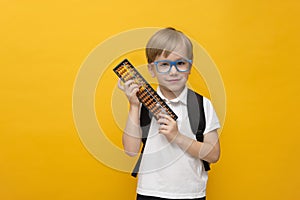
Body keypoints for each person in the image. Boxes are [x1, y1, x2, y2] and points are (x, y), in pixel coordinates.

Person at [118, 27, 220, 200]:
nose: (173, 71)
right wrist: (134, 106)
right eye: (164, 64)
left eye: (180, 63)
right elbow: (131, 150)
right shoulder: (143, 104)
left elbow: (213, 154)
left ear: (189, 67)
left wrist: (177, 137)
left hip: (191, 193)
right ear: (151, 69)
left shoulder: (202, 105)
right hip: (150, 192)